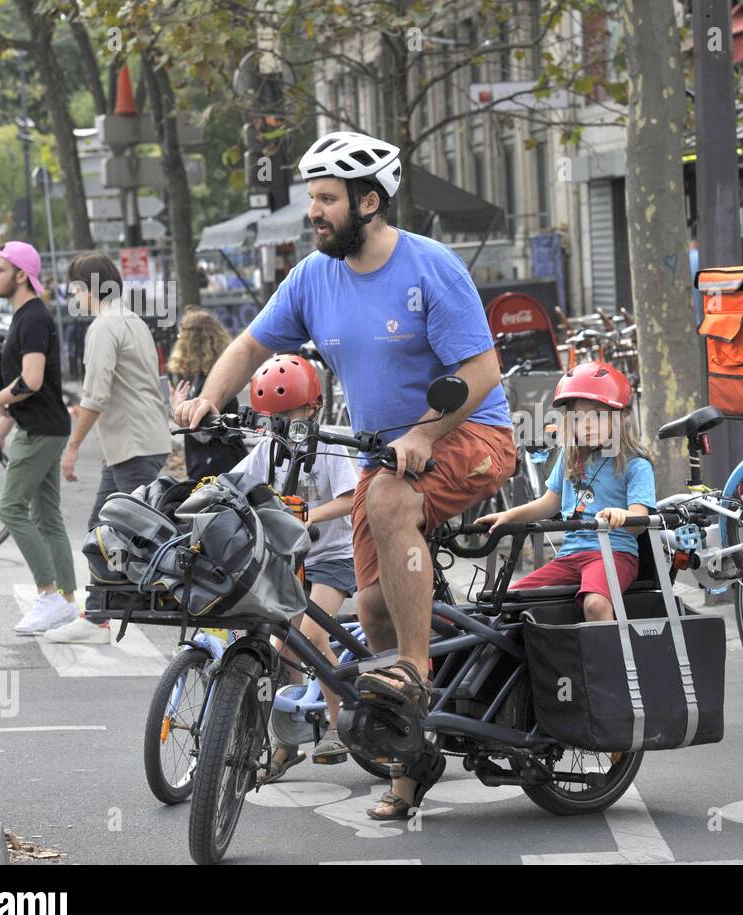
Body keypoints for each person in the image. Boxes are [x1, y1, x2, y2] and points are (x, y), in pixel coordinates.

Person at [174, 130, 515, 818]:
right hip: (383, 458)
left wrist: (424, 430)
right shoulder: (312, 277)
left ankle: (414, 671)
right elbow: (248, 343)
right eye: (312, 199)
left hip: (472, 436)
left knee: (390, 499)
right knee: (372, 606)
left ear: (369, 200)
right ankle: (407, 763)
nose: (314, 212)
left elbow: (481, 371)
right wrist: (210, 395)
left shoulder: (429, 267)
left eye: (326, 199)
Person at [231, 354, 359, 780]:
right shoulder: (268, 450)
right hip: (288, 561)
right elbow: (237, 484)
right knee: (282, 647)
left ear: (313, 408)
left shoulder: (332, 446)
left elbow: (351, 498)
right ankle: (287, 741)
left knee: (310, 636)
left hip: (331, 557)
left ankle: (338, 723)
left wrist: (309, 516)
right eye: (274, 418)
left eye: (291, 414)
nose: (283, 425)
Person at [42, 253, 173, 644]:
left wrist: (72, 447)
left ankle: (131, 605)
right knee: (103, 528)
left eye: (74, 290)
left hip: (133, 443)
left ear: (87, 288)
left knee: (124, 531)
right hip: (137, 441)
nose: (72, 297)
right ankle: (99, 612)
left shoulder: (103, 328)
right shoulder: (132, 320)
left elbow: (94, 395)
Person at [477, 361, 656, 621]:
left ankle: (610, 661)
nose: (587, 425)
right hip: (570, 555)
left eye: (597, 416)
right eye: (579, 418)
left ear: (620, 418)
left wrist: (622, 515)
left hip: (613, 553)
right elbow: (549, 503)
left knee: (595, 605)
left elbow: (640, 521)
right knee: (508, 601)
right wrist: (507, 516)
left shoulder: (636, 464)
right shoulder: (570, 458)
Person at [0, 241, 78, 635]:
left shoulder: (33, 318)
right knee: (47, 516)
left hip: (40, 432)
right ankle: (68, 602)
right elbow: (26, 391)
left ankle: (48, 594)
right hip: (41, 427)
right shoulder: (27, 315)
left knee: (10, 510)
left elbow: (31, 381)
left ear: (21, 275)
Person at [167, 307, 247, 480]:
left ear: (192, 341)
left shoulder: (213, 382)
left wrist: (177, 408)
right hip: (211, 466)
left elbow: (204, 435)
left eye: (181, 337)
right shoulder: (203, 377)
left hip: (220, 469)